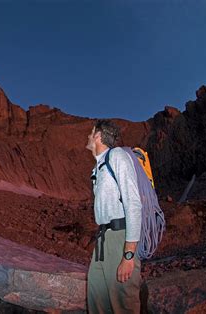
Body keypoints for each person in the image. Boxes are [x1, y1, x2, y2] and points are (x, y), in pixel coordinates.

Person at [85, 119, 142, 313]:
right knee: (97, 300)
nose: (88, 136)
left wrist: (128, 255)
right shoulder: (98, 168)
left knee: (123, 303)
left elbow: (133, 204)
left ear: (99, 136)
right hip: (103, 240)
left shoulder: (117, 156)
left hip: (120, 238)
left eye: (91, 133)